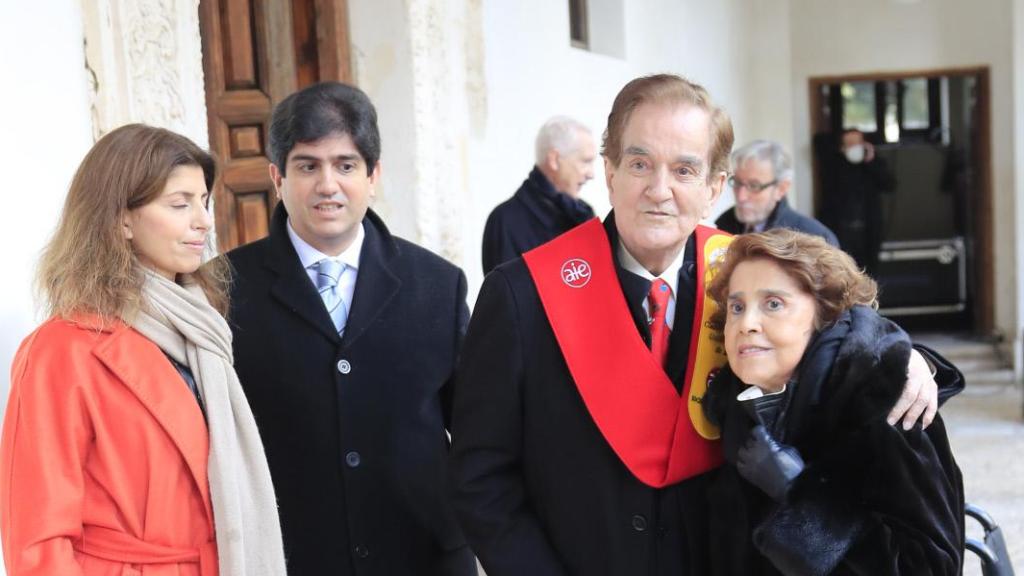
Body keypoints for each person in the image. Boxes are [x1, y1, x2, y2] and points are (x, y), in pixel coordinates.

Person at [448, 74, 957, 576]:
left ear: (715, 187)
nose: (659, 189)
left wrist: (903, 357)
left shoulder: (743, 280)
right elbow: (481, 476)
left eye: (685, 170)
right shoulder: (523, 294)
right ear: (609, 172)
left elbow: (835, 329)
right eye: (639, 163)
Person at [0, 124, 285, 575]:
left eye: (203, 202)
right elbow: (37, 539)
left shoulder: (203, 331)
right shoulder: (62, 349)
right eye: (180, 204)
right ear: (122, 219)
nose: (203, 221)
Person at [224, 82, 476, 575]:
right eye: (307, 166)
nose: (327, 185)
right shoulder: (225, 289)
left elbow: (477, 433)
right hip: (291, 559)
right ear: (277, 177)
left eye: (345, 165)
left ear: (373, 175)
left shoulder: (437, 286)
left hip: (424, 558)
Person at [702, 229, 964, 575]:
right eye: (737, 307)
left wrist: (798, 493)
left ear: (824, 314)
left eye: (774, 304)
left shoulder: (886, 405)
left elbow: (932, 568)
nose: (746, 324)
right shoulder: (733, 411)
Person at [481, 115, 597, 274]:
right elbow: (502, 296)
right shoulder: (504, 221)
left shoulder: (582, 213)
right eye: (585, 161)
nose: (591, 174)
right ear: (554, 160)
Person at [715, 139, 838, 245]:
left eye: (754, 186)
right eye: (737, 182)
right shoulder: (723, 226)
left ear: (781, 188)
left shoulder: (814, 239)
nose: (741, 197)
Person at [817, 129, 896, 273]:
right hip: (842, 228)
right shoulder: (835, 165)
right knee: (843, 271)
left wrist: (871, 161)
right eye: (850, 144)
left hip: (869, 228)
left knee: (869, 272)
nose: (854, 147)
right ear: (842, 147)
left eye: (858, 143)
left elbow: (889, 185)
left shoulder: (874, 162)